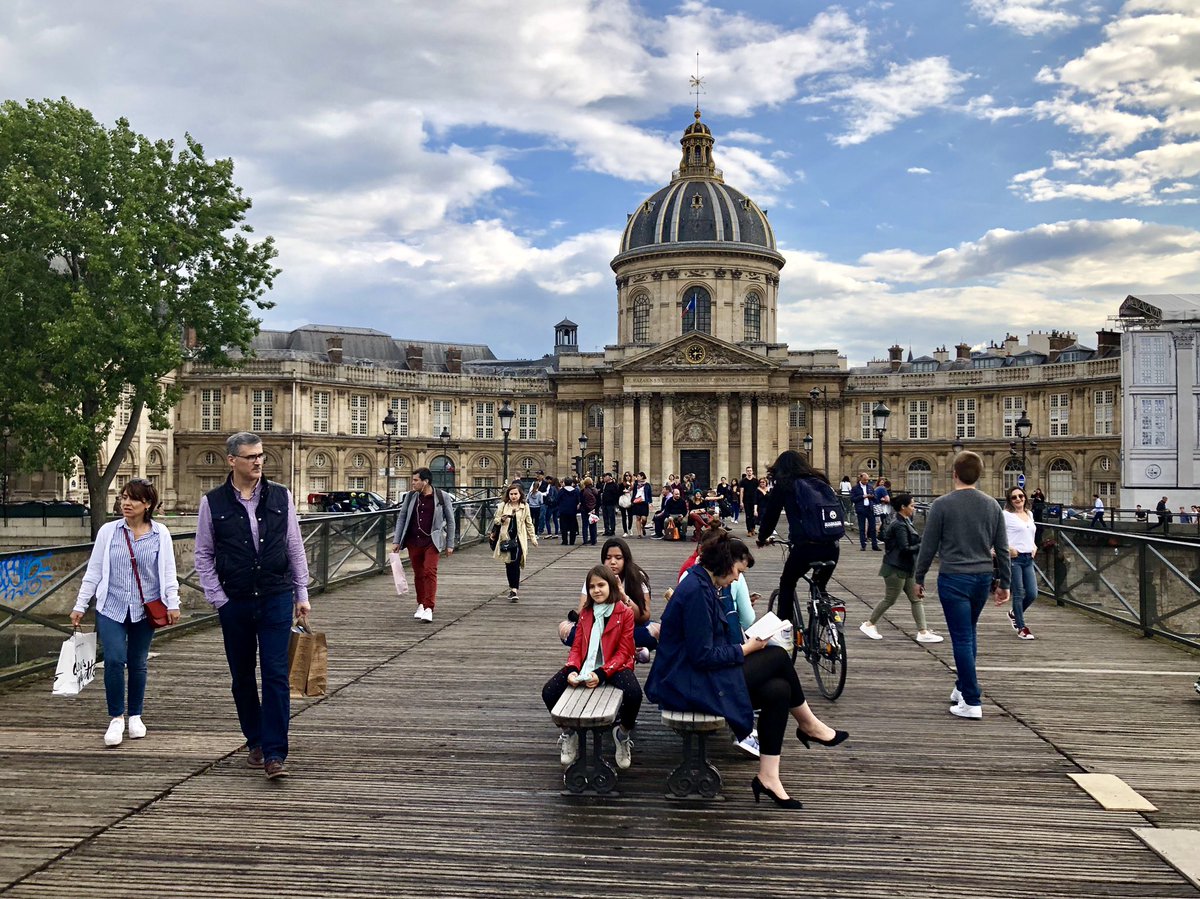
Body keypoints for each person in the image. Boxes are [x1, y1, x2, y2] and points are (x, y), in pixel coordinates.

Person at [646, 533, 848, 809]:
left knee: (779, 690)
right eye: (739, 571)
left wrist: (746, 642)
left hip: (695, 674)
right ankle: (809, 724)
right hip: (684, 683)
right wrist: (747, 649)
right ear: (727, 563)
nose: (738, 579)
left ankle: (768, 777)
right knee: (777, 656)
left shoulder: (704, 584)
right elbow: (702, 655)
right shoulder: (696, 591)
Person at [195, 432, 311, 779]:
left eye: (261, 456)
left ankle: (275, 752)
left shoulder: (280, 496)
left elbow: (294, 545)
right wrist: (219, 599)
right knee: (242, 677)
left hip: (275, 595)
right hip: (236, 600)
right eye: (250, 457)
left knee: (276, 674)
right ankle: (255, 741)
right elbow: (203, 554)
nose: (258, 462)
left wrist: (301, 594)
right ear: (232, 460)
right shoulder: (212, 502)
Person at [71, 478, 181, 748]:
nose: (125, 503)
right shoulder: (109, 531)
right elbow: (94, 571)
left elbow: (167, 571)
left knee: (138, 661)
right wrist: (80, 604)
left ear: (147, 504)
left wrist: (173, 602)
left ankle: (136, 715)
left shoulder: (160, 533)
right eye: (123, 498)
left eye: (132, 499)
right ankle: (116, 717)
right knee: (114, 659)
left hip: (145, 608)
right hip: (112, 605)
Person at [914, 451, 1010, 720]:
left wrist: (918, 578)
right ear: (978, 475)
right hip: (982, 578)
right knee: (969, 632)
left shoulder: (942, 505)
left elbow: (928, 546)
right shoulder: (992, 505)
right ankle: (960, 687)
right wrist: (1005, 583)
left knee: (962, 638)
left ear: (954, 473)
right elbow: (1002, 548)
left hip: (954, 578)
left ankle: (972, 699)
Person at [542, 565, 642, 770]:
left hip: (614, 665)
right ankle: (568, 732)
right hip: (586, 663)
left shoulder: (624, 613)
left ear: (611, 586)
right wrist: (571, 669)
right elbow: (577, 647)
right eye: (592, 587)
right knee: (549, 692)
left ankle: (622, 734)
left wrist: (602, 673)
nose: (596, 590)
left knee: (634, 694)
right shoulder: (586, 613)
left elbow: (624, 651)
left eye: (601, 585)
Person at [754, 451, 841, 621]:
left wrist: (762, 537)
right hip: (832, 545)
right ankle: (827, 622)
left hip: (806, 546)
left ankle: (785, 629)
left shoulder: (785, 485)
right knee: (820, 584)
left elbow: (771, 515)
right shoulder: (820, 480)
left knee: (787, 583)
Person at [859, 492, 942, 644]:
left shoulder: (904, 521)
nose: (914, 507)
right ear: (903, 507)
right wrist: (923, 545)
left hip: (906, 567)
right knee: (890, 599)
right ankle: (869, 624)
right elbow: (905, 548)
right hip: (895, 568)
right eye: (911, 505)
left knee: (916, 599)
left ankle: (923, 631)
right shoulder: (899, 525)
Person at [558, 537, 660, 659]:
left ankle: (601, 649)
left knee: (656, 632)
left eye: (618, 558)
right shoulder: (595, 577)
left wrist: (623, 596)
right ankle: (630, 650)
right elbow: (582, 614)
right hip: (599, 629)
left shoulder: (637, 577)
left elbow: (644, 616)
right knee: (565, 629)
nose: (612, 562)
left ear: (625, 559)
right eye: (608, 558)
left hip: (628, 629)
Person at [391, 467, 456, 622]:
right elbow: (402, 518)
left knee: (429, 571)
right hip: (413, 540)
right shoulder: (411, 497)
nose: (413, 483)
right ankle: (420, 604)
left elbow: (451, 521)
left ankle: (429, 607)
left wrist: (450, 544)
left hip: (432, 541)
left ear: (425, 481)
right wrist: (396, 540)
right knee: (418, 574)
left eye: (415, 480)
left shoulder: (442, 497)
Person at [1001, 486, 1038, 640]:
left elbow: (1030, 533)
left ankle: (1014, 613)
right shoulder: (1005, 515)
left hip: (1028, 558)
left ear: (1025, 498)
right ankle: (1022, 628)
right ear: (1010, 500)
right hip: (1015, 558)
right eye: (1014, 497)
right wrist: (1008, 548)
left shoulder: (1029, 514)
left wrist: (1034, 545)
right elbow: (997, 534)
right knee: (1019, 593)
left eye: (1021, 496)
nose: (1018, 499)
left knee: (1032, 593)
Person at [491, 483, 537, 601]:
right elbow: (496, 520)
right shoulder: (503, 506)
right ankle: (511, 586)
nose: (513, 496)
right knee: (509, 564)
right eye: (511, 494)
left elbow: (529, 523)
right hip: (506, 539)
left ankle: (514, 590)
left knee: (516, 563)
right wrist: (502, 519)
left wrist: (532, 538)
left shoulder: (524, 506)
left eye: (515, 494)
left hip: (519, 539)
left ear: (520, 494)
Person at [850, 472, 879, 551]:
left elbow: (876, 498)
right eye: (865, 480)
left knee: (873, 528)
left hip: (870, 509)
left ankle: (874, 545)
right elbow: (852, 499)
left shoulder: (870, 487)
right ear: (860, 479)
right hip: (861, 509)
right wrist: (863, 496)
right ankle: (863, 545)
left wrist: (872, 497)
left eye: (867, 480)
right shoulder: (855, 488)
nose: (866, 481)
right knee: (862, 528)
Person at [557, 477, 581, 545]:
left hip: (563, 511)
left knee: (563, 526)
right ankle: (572, 541)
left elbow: (558, 500)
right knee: (572, 526)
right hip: (572, 511)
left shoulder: (562, 491)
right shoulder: (576, 491)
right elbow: (578, 500)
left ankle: (565, 541)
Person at [738, 466, 758, 538]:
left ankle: (753, 528)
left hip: (754, 500)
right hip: (746, 500)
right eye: (748, 471)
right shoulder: (743, 481)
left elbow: (758, 491)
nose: (749, 472)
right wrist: (741, 502)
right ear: (746, 472)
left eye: (750, 471)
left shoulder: (756, 481)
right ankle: (749, 530)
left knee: (754, 515)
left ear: (752, 472)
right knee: (748, 516)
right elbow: (741, 491)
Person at [578, 476, 600, 545]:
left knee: (585, 525)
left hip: (585, 510)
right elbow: (599, 502)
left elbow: (582, 502)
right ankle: (593, 540)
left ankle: (585, 540)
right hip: (594, 510)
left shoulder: (582, 491)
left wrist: (587, 509)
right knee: (593, 525)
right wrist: (594, 509)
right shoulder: (596, 491)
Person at [631, 472, 652, 538]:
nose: (637, 477)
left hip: (644, 502)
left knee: (644, 518)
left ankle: (643, 526)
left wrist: (650, 502)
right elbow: (633, 492)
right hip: (637, 502)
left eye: (638, 476)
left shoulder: (647, 485)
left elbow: (649, 494)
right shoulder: (635, 484)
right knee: (638, 518)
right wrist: (632, 500)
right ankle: (639, 534)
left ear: (642, 477)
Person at [600, 472, 621, 537]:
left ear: (609, 477)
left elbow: (617, 494)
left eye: (605, 477)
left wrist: (615, 502)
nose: (604, 478)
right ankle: (606, 530)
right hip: (604, 503)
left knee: (611, 517)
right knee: (605, 517)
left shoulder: (614, 485)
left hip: (611, 504)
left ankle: (612, 530)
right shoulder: (604, 485)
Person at [619, 472, 636, 537]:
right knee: (623, 517)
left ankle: (630, 528)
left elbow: (635, 492)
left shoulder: (633, 484)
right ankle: (625, 531)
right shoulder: (622, 484)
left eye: (629, 475)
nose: (627, 477)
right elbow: (619, 492)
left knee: (630, 516)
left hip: (630, 500)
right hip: (623, 500)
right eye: (626, 476)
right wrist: (623, 491)